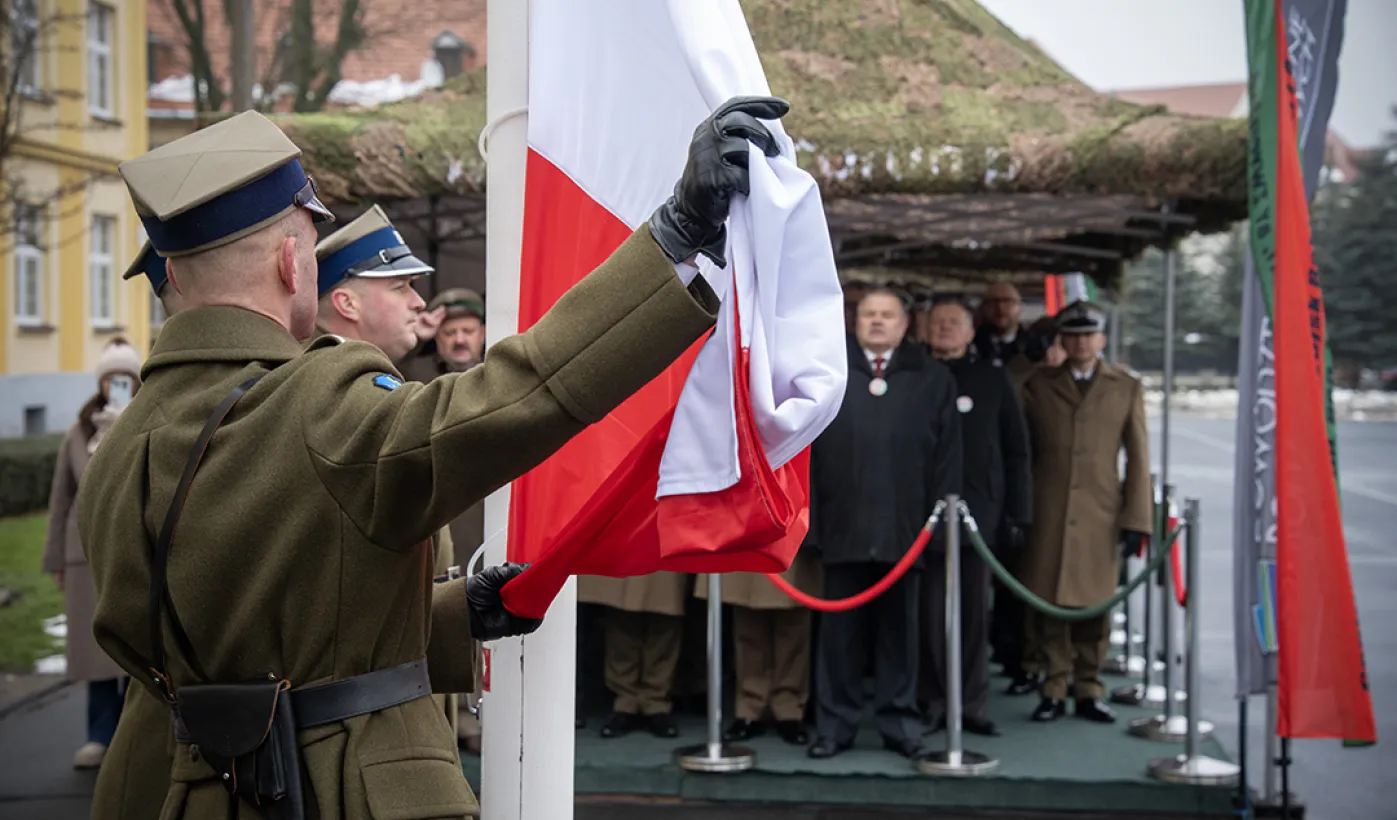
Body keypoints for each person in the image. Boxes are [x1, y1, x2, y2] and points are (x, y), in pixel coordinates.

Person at [78, 96, 788, 819]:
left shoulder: (124, 441)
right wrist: (675, 238)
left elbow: (241, 629)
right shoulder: (313, 400)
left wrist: (450, 616)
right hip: (337, 794)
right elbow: (519, 393)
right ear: (294, 261)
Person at [313, 203, 470, 745]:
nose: (419, 300)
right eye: (400, 285)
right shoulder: (335, 402)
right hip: (366, 710)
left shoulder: (366, 390)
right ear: (346, 301)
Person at [806, 288, 962, 760]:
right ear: (855, 322)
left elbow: (948, 459)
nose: (876, 322)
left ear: (904, 325)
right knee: (838, 639)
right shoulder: (829, 374)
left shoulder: (933, 379)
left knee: (901, 637)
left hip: (905, 532)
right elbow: (806, 454)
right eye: (869, 314)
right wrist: (810, 525)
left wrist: (937, 527)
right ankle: (834, 726)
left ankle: (900, 724)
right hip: (842, 528)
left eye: (886, 315)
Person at [1018, 300, 1152, 724]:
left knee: (1095, 604)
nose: (1080, 342)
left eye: (1087, 334)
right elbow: (1019, 450)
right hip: (1049, 507)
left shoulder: (1125, 386)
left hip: (1100, 511)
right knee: (1049, 601)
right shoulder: (1037, 384)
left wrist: (1137, 518)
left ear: (1102, 339)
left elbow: (1139, 457)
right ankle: (1053, 685)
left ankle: (1089, 687)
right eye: (1071, 334)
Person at [919, 297, 1031, 738]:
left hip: (977, 517)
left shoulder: (993, 379)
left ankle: (972, 703)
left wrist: (1018, 513)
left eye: (955, 324)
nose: (945, 329)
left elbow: (1016, 451)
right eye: (939, 323)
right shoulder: (917, 377)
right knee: (927, 616)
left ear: (970, 332)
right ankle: (930, 701)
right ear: (926, 330)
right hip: (922, 519)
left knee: (972, 617)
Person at [41, 338, 142, 769]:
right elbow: (61, 499)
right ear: (100, 381)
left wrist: (127, 429)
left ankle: (135, 740)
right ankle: (99, 736)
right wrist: (56, 561)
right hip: (84, 556)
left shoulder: (145, 419)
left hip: (132, 550)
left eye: (125, 377)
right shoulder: (79, 433)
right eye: (110, 376)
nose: (115, 384)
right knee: (94, 653)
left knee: (135, 649)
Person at [694, 552, 821, 745]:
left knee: (793, 626)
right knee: (748, 623)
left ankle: (789, 709)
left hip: (793, 533)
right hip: (749, 534)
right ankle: (750, 706)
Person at [401, 288, 488, 380]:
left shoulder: (496, 371)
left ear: (483, 333)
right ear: (436, 336)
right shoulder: (417, 373)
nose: (459, 340)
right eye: (449, 333)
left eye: (468, 331)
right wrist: (417, 338)